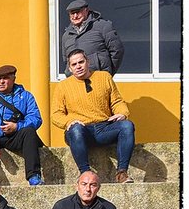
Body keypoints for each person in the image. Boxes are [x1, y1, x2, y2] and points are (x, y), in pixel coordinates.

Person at [51, 49, 136, 184]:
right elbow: (56, 114)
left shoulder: (104, 77)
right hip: (81, 131)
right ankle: (85, 173)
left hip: (104, 127)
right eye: (74, 64)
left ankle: (122, 173)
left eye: (81, 62)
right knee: (76, 129)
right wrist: (69, 122)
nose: (78, 66)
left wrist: (122, 113)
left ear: (87, 62)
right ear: (69, 68)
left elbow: (117, 101)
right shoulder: (63, 86)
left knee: (127, 125)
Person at [60, 0, 125, 76]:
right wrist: (68, 75)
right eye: (72, 13)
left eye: (78, 12)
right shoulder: (67, 35)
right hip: (75, 82)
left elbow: (117, 50)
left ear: (86, 10)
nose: (75, 16)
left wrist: (107, 74)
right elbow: (66, 60)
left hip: (98, 78)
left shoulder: (103, 26)